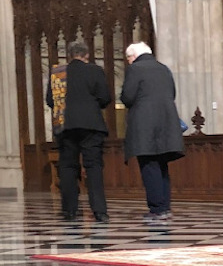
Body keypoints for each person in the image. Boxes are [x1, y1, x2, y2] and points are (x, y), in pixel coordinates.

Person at [45, 40, 112, 222]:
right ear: (87, 55)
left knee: (67, 166)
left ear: (69, 55)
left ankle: (70, 210)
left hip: (66, 125)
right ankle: (100, 211)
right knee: (94, 167)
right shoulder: (95, 71)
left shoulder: (58, 73)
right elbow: (105, 98)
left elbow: (50, 101)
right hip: (91, 125)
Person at [121, 41, 185, 224]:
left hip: (145, 125)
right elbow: (172, 93)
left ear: (133, 56)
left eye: (128, 59)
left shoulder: (135, 69)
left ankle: (156, 210)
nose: (128, 62)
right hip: (166, 123)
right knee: (162, 166)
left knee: (149, 165)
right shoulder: (164, 68)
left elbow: (128, 97)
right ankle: (165, 207)